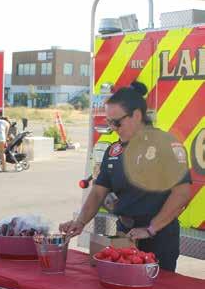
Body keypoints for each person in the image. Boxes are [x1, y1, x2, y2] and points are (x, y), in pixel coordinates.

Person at [59, 81, 192, 271]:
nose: (113, 127)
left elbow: (182, 193)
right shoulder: (114, 151)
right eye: (108, 122)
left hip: (158, 237)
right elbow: (98, 192)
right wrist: (80, 222)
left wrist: (151, 229)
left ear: (136, 115)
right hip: (125, 234)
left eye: (117, 122)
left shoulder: (166, 145)